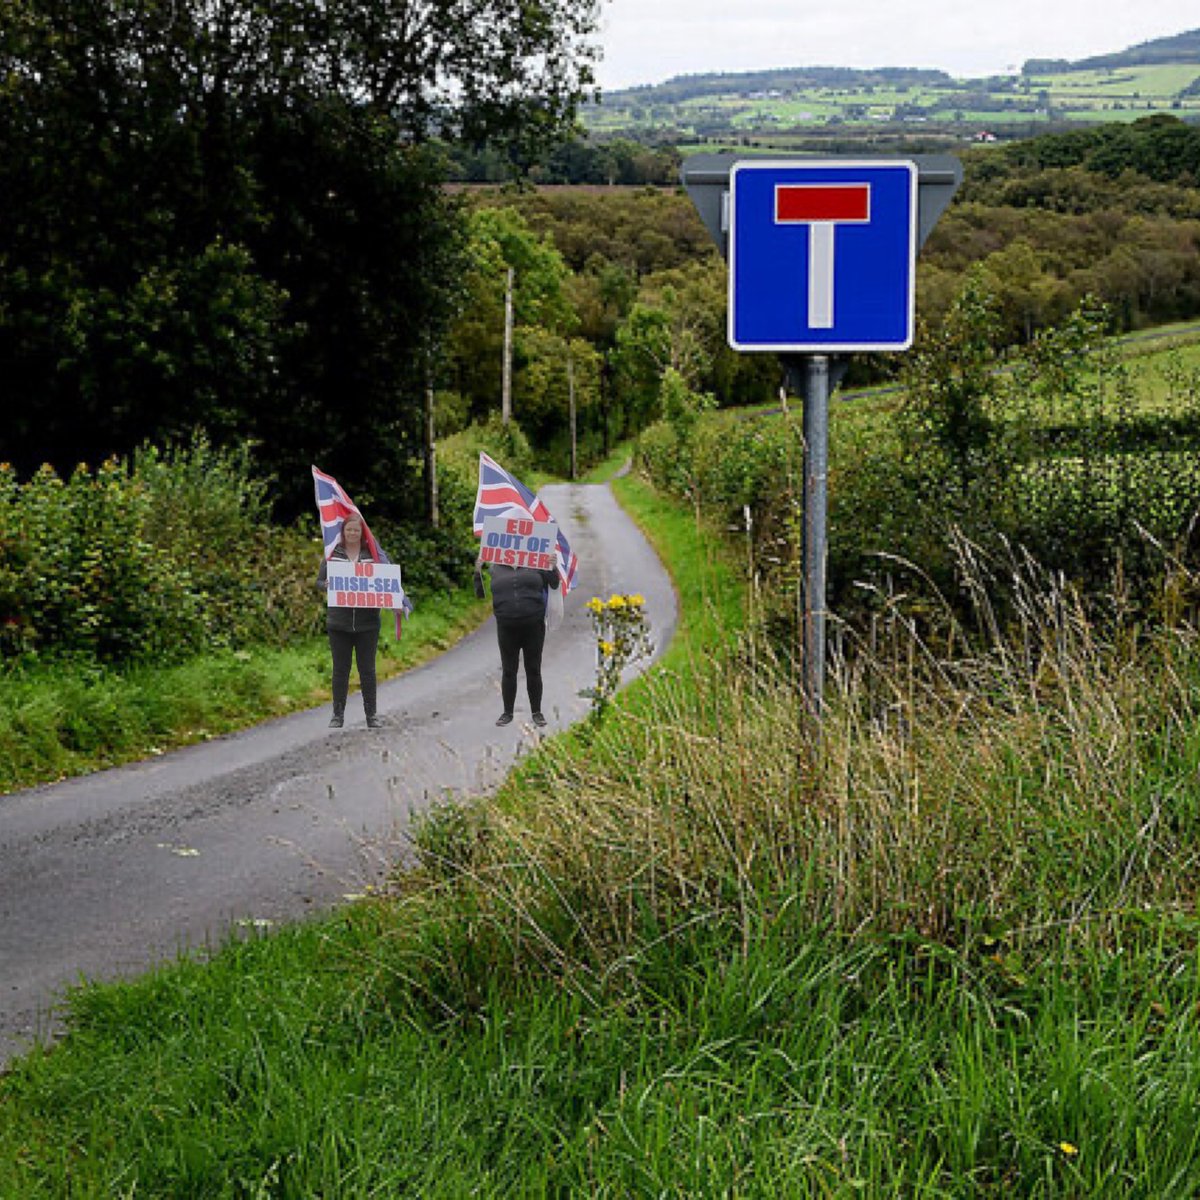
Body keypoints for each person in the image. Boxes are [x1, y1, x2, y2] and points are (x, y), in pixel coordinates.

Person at [475, 555, 559, 728]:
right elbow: (480, 595)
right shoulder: (495, 567)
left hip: (533, 625)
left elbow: (554, 583)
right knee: (508, 670)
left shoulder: (535, 561)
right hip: (506, 626)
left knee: (533, 669)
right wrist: (477, 572)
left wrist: (553, 567)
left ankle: (537, 712)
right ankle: (507, 713)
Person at [318, 515, 383, 729]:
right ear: (343, 532)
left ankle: (371, 715)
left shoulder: (373, 554)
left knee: (367, 670)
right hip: (339, 623)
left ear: (362, 533)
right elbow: (319, 581)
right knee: (340, 670)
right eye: (349, 530)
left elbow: (386, 579)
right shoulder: (332, 554)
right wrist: (325, 583)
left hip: (368, 623)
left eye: (356, 530)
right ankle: (337, 715)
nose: (352, 534)